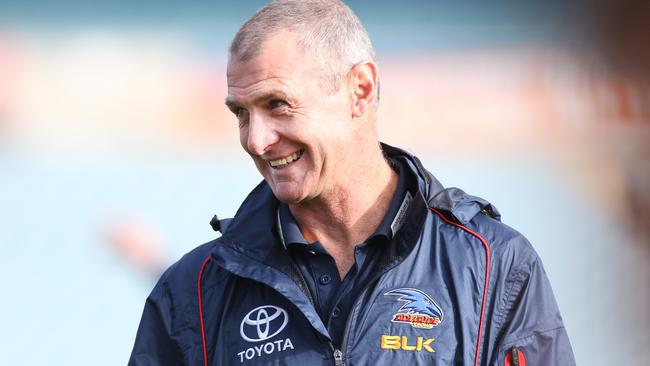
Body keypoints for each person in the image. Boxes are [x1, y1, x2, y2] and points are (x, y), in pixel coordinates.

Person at [129, 1, 575, 365]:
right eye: (241, 113)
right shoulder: (193, 289)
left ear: (359, 90)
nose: (256, 140)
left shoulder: (494, 267)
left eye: (277, 104)